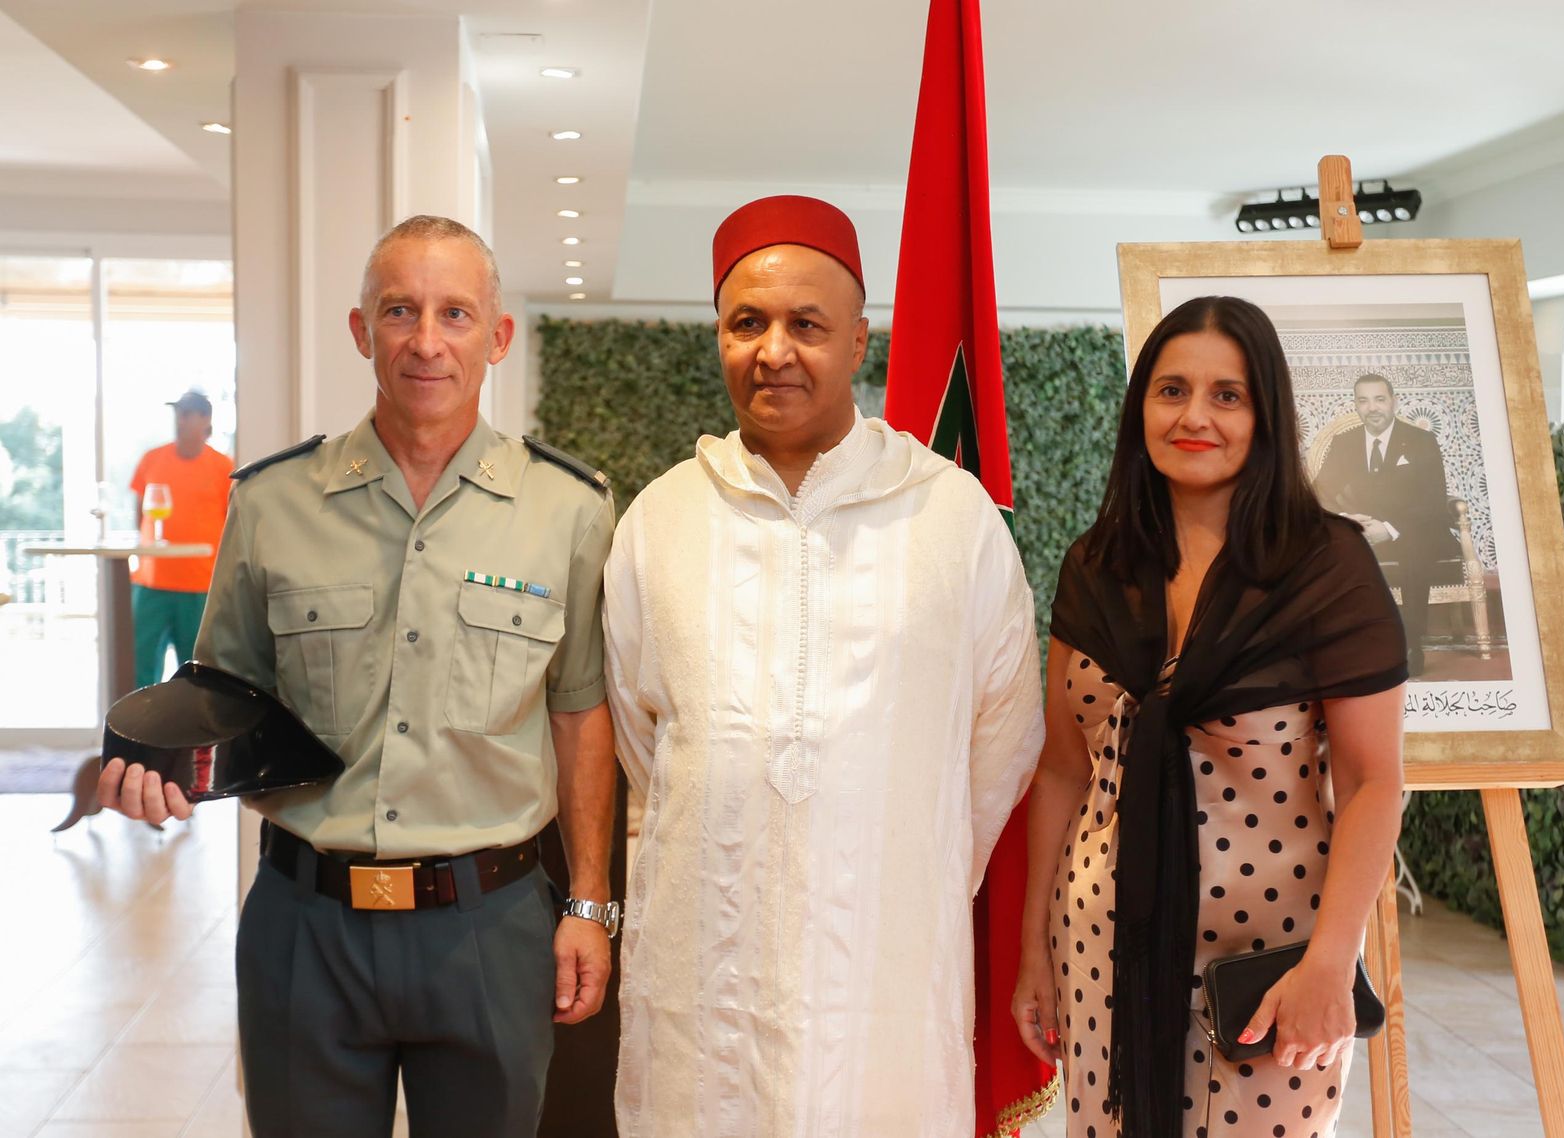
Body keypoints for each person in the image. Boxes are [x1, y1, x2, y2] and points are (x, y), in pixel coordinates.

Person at [96, 215, 619, 1138]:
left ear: (496, 337)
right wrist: (162, 770)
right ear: (359, 330)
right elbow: (223, 692)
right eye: (398, 311)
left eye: (455, 313)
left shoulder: (569, 511)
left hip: (490, 929)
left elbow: (581, 711)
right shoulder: (271, 502)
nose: (426, 340)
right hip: (307, 927)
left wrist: (587, 902)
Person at [603, 195, 1045, 1136]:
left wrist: (890, 845)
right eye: (746, 323)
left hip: (885, 951)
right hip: (704, 959)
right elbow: (646, 740)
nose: (774, 351)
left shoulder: (952, 516)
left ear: (859, 340)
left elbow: (1003, 734)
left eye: (807, 324)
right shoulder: (661, 519)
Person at [1011, 297, 1407, 1138]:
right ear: (1140, 409)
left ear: (1265, 413)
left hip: (1269, 963)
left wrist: (1334, 962)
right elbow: (1060, 771)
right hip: (1101, 948)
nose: (1195, 416)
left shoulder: (1325, 567)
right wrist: (1032, 952)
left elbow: (1374, 783)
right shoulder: (1098, 563)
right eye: (1171, 390)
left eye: (1227, 395)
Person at [1312, 372, 1455, 676]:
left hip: (1414, 529)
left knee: (1414, 548)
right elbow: (1319, 492)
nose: (1372, 407)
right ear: (1356, 405)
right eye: (1363, 400)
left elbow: (1432, 500)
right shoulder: (1344, 443)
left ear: (1394, 402)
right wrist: (1348, 521)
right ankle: (1342, 643)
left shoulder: (1421, 440)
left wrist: (1388, 528)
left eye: (1379, 399)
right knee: (1326, 545)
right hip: (1361, 531)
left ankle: (1410, 642)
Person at [128, 389, 234, 687]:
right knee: (141, 665)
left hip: (199, 586)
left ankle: (191, 732)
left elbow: (232, 525)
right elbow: (140, 513)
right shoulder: (152, 459)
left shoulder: (223, 467)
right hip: (151, 583)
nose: (181, 420)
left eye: (188, 414)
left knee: (197, 672)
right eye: (179, 413)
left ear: (206, 420)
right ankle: (140, 728)